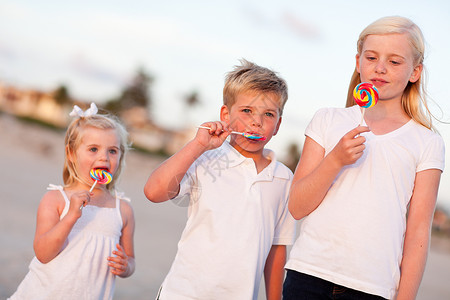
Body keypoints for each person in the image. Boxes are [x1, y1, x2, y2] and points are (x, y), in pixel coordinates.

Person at [283, 16, 445, 300]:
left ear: (415, 71)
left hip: (373, 289)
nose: (380, 68)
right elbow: (296, 206)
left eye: (395, 62)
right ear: (358, 62)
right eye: (372, 57)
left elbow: (418, 232)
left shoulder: (427, 142)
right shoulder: (328, 120)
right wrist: (335, 160)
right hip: (307, 275)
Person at [144, 59, 296, 300]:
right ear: (226, 115)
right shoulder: (205, 159)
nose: (257, 122)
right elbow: (154, 192)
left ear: (277, 125)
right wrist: (197, 146)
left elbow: (277, 249)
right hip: (183, 293)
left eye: (268, 114)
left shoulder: (284, 178)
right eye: (247, 111)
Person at [9, 103, 135, 300]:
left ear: (120, 155)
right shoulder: (55, 199)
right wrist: (70, 217)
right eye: (93, 149)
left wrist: (125, 266)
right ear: (71, 153)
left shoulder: (123, 210)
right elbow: (43, 253)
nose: (104, 157)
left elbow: (131, 259)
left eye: (112, 151)